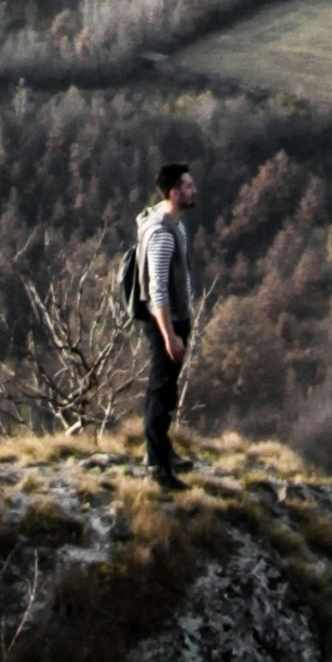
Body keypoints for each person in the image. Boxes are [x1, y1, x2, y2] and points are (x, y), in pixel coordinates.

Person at [132, 160, 200, 487]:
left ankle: (161, 452)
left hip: (174, 318)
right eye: (187, 186)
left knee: (166, 390)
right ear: (174, 193)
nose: (193, 190)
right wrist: (170, 335)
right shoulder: (163, 233)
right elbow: (157, 289)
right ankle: (157, 467)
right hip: (165, 322)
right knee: (161, 391)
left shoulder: (170, 222)